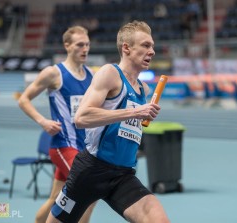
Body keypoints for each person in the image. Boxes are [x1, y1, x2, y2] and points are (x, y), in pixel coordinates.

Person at [46, 20, 170, 223]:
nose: (152, 51)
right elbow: (81, 117)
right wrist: (133, 112)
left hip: (123, 175)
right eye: (146, 45)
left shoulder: (143, 90)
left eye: (153, 46)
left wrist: (138, 115)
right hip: (91, 171)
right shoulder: (110, 74)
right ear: (127, 48)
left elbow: (126, 126)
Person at [18, 25, 96, 223]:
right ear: (67, 46)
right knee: (89, 189)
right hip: (63, 145)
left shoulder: (91, 76)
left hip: (82, 148)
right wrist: (42, 121)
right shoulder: (54, 73)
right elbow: (23, 99)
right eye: (80, 45)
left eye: (87, 44)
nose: (85, 49)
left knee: (56, 198)